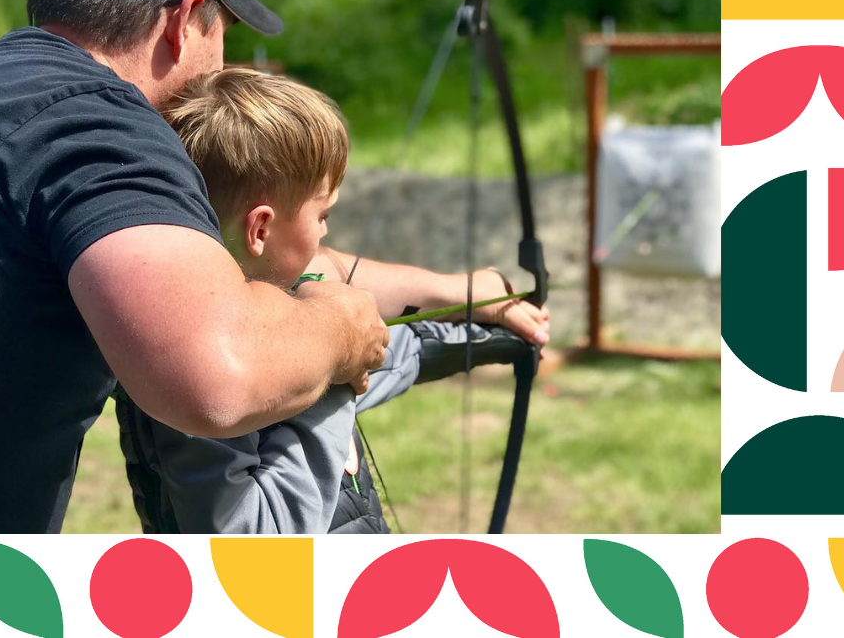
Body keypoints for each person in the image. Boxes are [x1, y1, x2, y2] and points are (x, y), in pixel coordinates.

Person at [0, 0, 541, 534]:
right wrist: (341, 337)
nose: (222, 63)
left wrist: (462, 295)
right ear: (186, 18)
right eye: (225, 30)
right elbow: (220, 380)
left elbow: (292, 264)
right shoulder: (100, 127)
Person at [115, 68, 550, 533]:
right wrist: (336, 364)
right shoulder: (204, 363)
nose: (325, 231)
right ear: (260, 229)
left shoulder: (275, 299)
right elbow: (250, 539)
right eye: (321, 214)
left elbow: (374, 351)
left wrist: (483, 330)